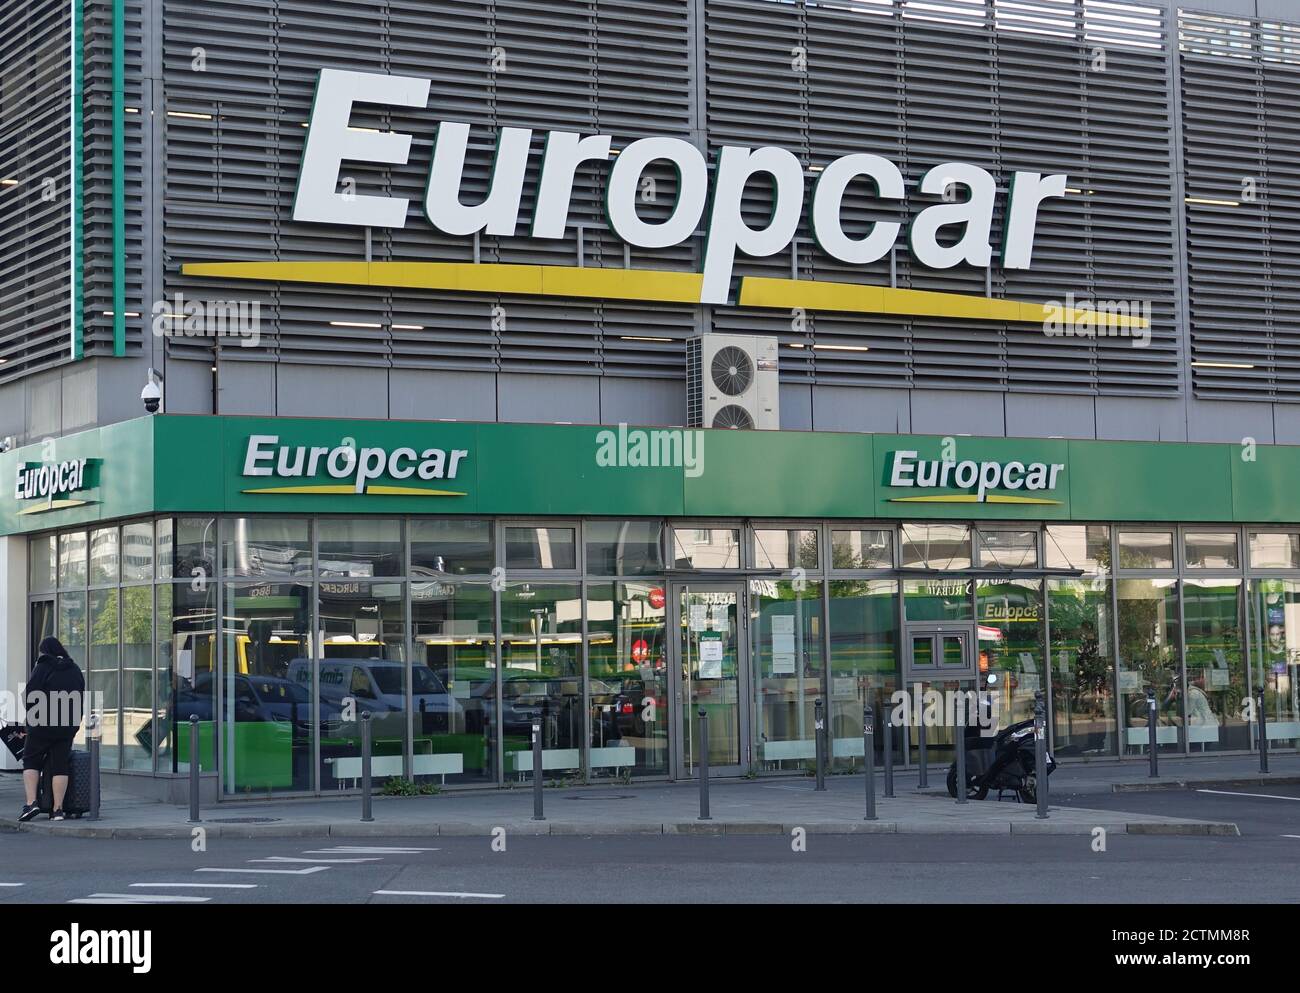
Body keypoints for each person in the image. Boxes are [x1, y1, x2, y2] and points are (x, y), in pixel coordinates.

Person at [17, 636, 86, 822]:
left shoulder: (43, 666)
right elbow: (80, 695)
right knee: (60, 765)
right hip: (66, 726)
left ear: (44, 651)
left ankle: (32, 804)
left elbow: (30, 695)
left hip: (42, 725)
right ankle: (58, 810)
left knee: (30, 761)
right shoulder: (75, 669)